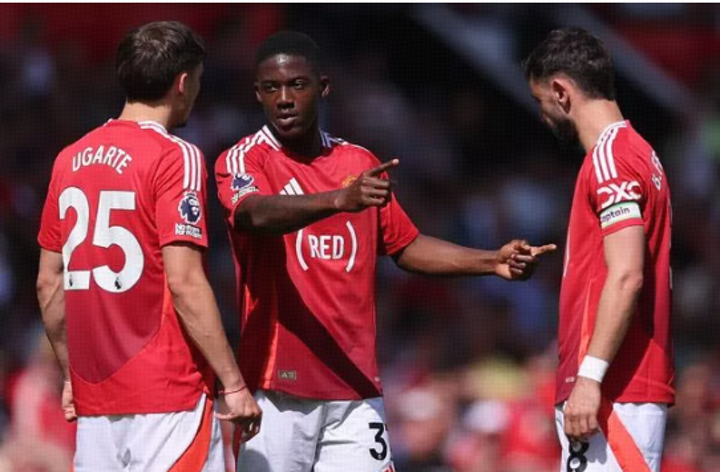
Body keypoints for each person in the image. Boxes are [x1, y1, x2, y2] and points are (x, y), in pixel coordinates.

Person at [214, 30, 555, 472]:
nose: (283, 99)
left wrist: (490, 261)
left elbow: (405, 245)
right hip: (278, 386)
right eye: (271, 88)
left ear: (323, 86)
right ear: (257, 93)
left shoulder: (358, 163)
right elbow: (252, 214)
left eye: (297, 85)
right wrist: (337, 200)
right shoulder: (245, 159)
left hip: (355, 388)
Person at [36, 21, 261, 471]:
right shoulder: (176, 156)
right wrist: (233, 382)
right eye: (198, 80)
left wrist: (70, 375)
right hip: (167, 396)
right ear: (183, 82)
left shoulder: (68, 159)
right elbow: (184, 281)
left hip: (96, 406)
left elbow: (48, 283)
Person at [524, 27, 673, 472]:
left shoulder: (612, 160)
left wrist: (588, 377)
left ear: (560, 91)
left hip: (615, 390)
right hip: (624, 387)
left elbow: (626, 275)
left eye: (539, 101)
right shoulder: (639, 154)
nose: (542, 115)